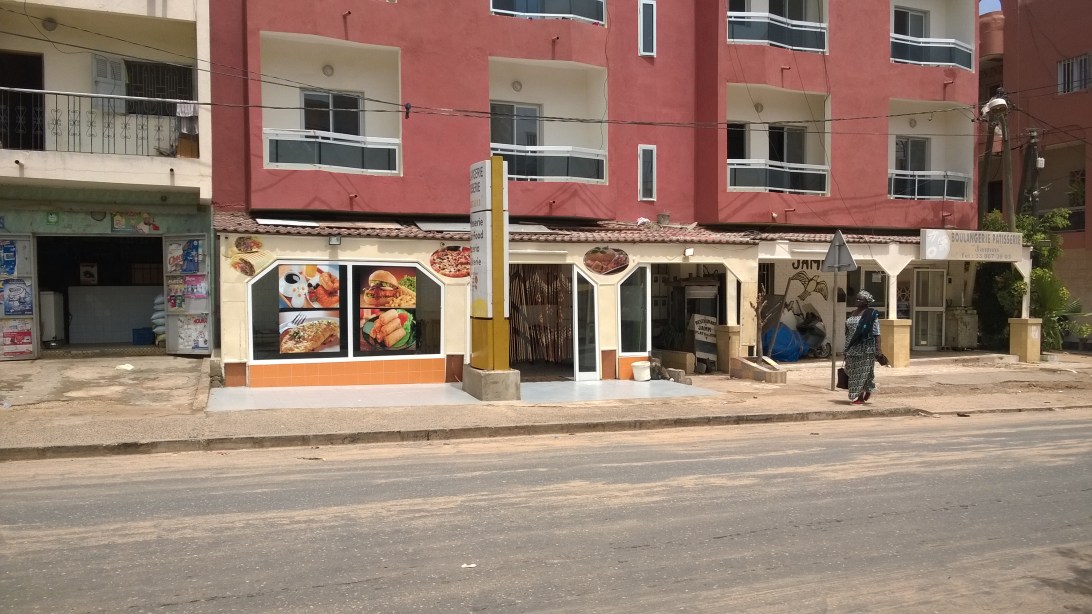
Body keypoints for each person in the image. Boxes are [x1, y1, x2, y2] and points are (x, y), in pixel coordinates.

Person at [843, 290, 881, 404]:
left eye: (860, 299)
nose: (857, 300)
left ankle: (859, 397)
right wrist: (845, 349)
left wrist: (878, 349)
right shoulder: (852, 313)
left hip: (866, 348)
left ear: (866, 301)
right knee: (851, 371)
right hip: (851, 347)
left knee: (861, 372)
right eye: (857, 298)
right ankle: (868, 388)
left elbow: (877, 333)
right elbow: (848, 333)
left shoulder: (871, 314)